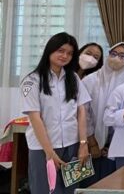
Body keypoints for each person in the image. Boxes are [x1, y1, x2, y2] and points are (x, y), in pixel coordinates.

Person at [21, 32, 91, 194]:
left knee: (71, 190)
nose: (65, 56)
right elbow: (35, 118)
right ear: (50, 50)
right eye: (61, 50)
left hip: (71, 145)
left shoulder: (73, 78)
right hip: (43, 147)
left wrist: (83, 144)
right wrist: (49, 152)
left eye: (70, 53)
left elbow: (81, 111)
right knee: (45, 190)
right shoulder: (32, 80)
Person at [82, 42, 124, 182]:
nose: (116, 58)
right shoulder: (90, 81)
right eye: (113, 54)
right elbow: (84, 114)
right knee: (89, 185)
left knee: (113, 184)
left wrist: (113, 146)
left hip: (119, 147)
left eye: (122, 56)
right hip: (92, 144)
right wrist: (92, 143)